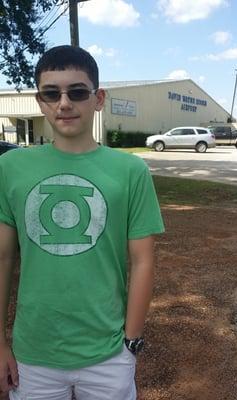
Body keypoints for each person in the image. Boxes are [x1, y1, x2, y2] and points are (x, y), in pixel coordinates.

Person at [0, 45, 164, 400]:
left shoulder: (131, 171)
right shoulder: (10, 168)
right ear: (39, 100)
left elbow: (143, 260)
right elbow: (3, 258)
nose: (64, 103)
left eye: (77, 92)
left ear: (98, 98)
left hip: (108, 354)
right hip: (33, 353)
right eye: (51, 93)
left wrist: (130, 344)